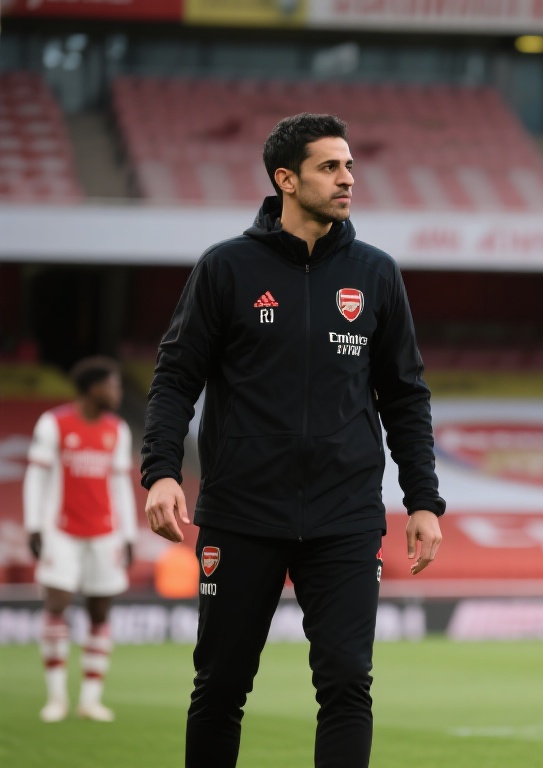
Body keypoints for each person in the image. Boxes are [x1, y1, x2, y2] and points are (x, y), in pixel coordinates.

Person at [140, 113, 445, 768]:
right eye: (330, 167)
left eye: (350, 166)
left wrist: (423, 500)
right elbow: (174, 379)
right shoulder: (226, 268)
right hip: (242, 511)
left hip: (345, 514)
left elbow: (405, 396)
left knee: (347, 684)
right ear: (286, 179)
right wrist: (161, 471)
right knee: (220, 687)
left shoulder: (375, 273)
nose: (347, 179)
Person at [23, 356, 137, 723]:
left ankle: (90, 699)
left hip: (105, 534)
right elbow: (36, 477)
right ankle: (56, 698)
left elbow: (120, 485)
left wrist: (129, 533)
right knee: (57, 603)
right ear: (93, 388)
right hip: (61, 531)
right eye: (112, 385)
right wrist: (33, 525)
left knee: (99, 611)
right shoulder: (54, 424)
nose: (118, 392)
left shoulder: (118, 429)